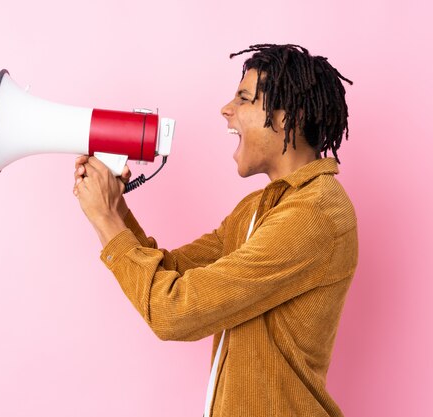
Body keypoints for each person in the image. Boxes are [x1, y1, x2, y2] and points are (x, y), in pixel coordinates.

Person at [73, 44, 358, 417]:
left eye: (243, 98)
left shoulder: (312, 215)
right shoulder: (257, 210)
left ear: (290, 116)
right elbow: (173, 273)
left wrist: (108, 223)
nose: (226, 109)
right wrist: (115, 211)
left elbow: (173, 311)